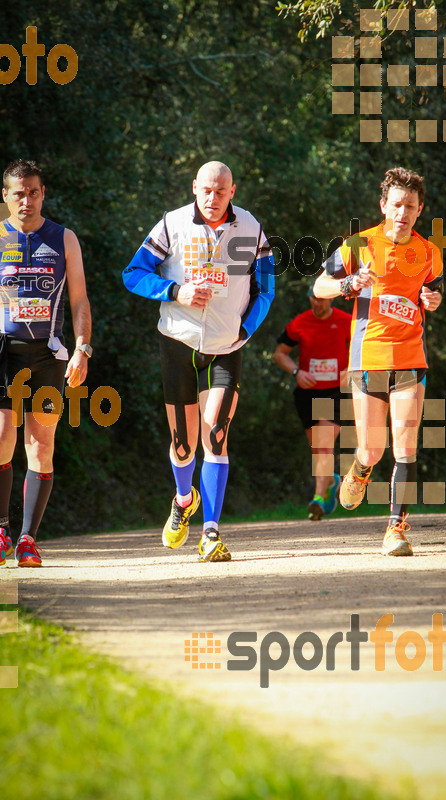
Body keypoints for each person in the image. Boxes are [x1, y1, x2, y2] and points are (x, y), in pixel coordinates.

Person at [123, 161, 274, 562]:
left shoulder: (251, 228)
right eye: (206, 190)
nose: (212, 198)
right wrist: (175, 291)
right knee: (184, 445)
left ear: (233, 191)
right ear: (194, 187)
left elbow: (267, 286)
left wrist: (246, 330)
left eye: (220, 191)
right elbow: (133, 274)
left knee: (216, 435)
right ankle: (183, 499)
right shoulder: (172, 225)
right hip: (177, 343)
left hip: (226, 347)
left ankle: (210, 532)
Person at [314, 167, 443, 556]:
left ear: (420, 211)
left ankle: (396, 528)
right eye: (397, 204)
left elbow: (433, 292)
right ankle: (361, 469)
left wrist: (433, 300)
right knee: (372, 448)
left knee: (405, 446)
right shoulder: (358, 245)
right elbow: (318, 286)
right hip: (367, 357)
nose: (403, 212)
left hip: (410, 358)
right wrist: (348, 285)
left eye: (411, 206)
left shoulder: (429, 252)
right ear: (384, 205)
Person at [0, 159, 92, 568]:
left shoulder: (63, 238)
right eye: (18, 193)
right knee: (2, 436)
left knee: (40, 443)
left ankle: (27, 540)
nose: (27, 200)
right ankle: (1, 532)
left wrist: (82, 348)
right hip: (3, 350)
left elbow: (79, 300)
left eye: (34, 191)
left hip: (48, 354)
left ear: (43, 194)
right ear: (5, 196)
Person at [273, 285, 352, 520]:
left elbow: (365, 346)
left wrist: (351, 369)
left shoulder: (347, 320)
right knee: (318, 448)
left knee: (324, 444)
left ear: (331, 300)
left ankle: (318, 498)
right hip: (307, 393)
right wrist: (297, 372)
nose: (317, 305)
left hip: (337, 391)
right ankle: (329, 482)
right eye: (313, 300)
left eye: (322, 300)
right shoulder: (300, 323)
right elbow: (279, 353)